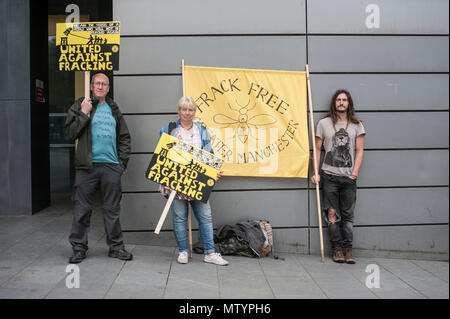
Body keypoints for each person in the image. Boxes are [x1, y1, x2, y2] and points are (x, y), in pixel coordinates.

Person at [65, 73, 133, 263]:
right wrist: (83, 113)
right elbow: (70, 133)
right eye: (97, 83)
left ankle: (116, 248)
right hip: (86, 167)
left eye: (104, 84)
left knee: (112, 210)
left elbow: (125, 137)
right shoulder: (81, 104)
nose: (101, 87)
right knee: (82, 209)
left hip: (111, 166)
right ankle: (79, 248)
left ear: (108, 88)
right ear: (91, 86)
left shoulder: (113, 108)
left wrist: (122, 163)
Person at [159, 96, 229, 266]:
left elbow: (209, 153)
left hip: (197, 182)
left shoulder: (202, 130)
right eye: (184, 109)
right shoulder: (169, 130)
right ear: (179, 111)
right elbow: (161, 157)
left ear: (194, 112)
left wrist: (213, 172)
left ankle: (210, 253)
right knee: (180, 217)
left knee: (205, 216)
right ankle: (183, 251)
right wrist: (165, 178)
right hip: (176, 182)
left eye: (190, 109)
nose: (187, 113)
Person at [311, 89, 365, 264]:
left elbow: (360, 150)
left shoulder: (357, 125)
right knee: (332, 215)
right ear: (334, 103)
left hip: (348, 178)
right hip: (329, 177)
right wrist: (316, 173)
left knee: (348, 216)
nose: (341, 102)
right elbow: (317, 149)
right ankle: (337, 250)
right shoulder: (324, 124)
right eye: (338, 100)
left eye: (344, 100)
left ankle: (348, 250)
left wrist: (354, 173)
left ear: (349, 103)